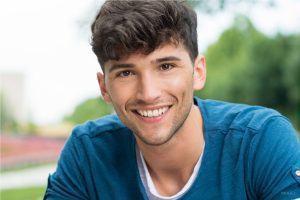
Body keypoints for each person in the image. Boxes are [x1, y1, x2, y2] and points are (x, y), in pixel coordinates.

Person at [44, 0, 300, 199]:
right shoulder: (87, 154)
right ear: (104, 87)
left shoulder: (261, 140)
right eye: (126, 72)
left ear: (197, 72)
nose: (148, 93)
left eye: (166, 66)